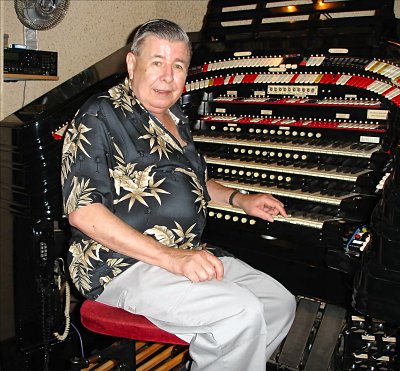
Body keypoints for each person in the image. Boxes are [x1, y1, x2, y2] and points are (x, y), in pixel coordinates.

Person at [61, 19, 296, 371]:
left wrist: (239, 199)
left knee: (278, 303)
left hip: (185, 254)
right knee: (239, 312)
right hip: (121, 264)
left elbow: (193, 181)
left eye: (178, 65)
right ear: (132, 64)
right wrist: (172, 259)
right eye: (157, 62)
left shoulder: (174, 116)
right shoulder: (100, 114)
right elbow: (84, 212)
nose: (168, 76)